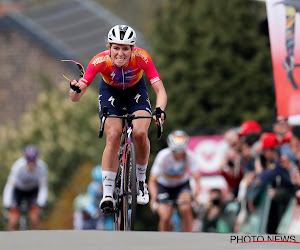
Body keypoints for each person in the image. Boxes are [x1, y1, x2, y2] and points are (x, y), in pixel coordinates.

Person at [69, 24, 167, 213]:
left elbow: (160, 91)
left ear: (133, 49)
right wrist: (74, 90)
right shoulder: (99, 61)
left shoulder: (142, 58)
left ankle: (140, 181)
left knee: (139, 132)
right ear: (109, 48)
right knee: (113, 135)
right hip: (110, 92)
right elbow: (77, 96)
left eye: (125, 48)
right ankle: (107, 194)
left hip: (136, 92)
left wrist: (159, 109)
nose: (120, 53)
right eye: (116, 48)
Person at [148, 130, 200, 232]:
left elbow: (197, 180)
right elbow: (152, 181)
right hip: (164, 185)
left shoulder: (190, 156)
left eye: (181, 151)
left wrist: (194, 196)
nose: (178, 154)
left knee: (185, 208)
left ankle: (189, 237)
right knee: (165, 216)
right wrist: (153, 197)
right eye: (175, 151)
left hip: (182, 185)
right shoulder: (162, 156)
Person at [2, 145, 48, 231]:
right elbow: (9, 187)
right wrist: (7, 204)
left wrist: (41, 203)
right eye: (29, 162)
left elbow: (43, 188)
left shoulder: (42, 167)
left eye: (33, 162)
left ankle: (35, 239)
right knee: (13, 219)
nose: (31, 165)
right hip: (18, 190)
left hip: (33, 191)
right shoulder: (18, 166)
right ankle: (12, 239)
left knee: (35, 217)